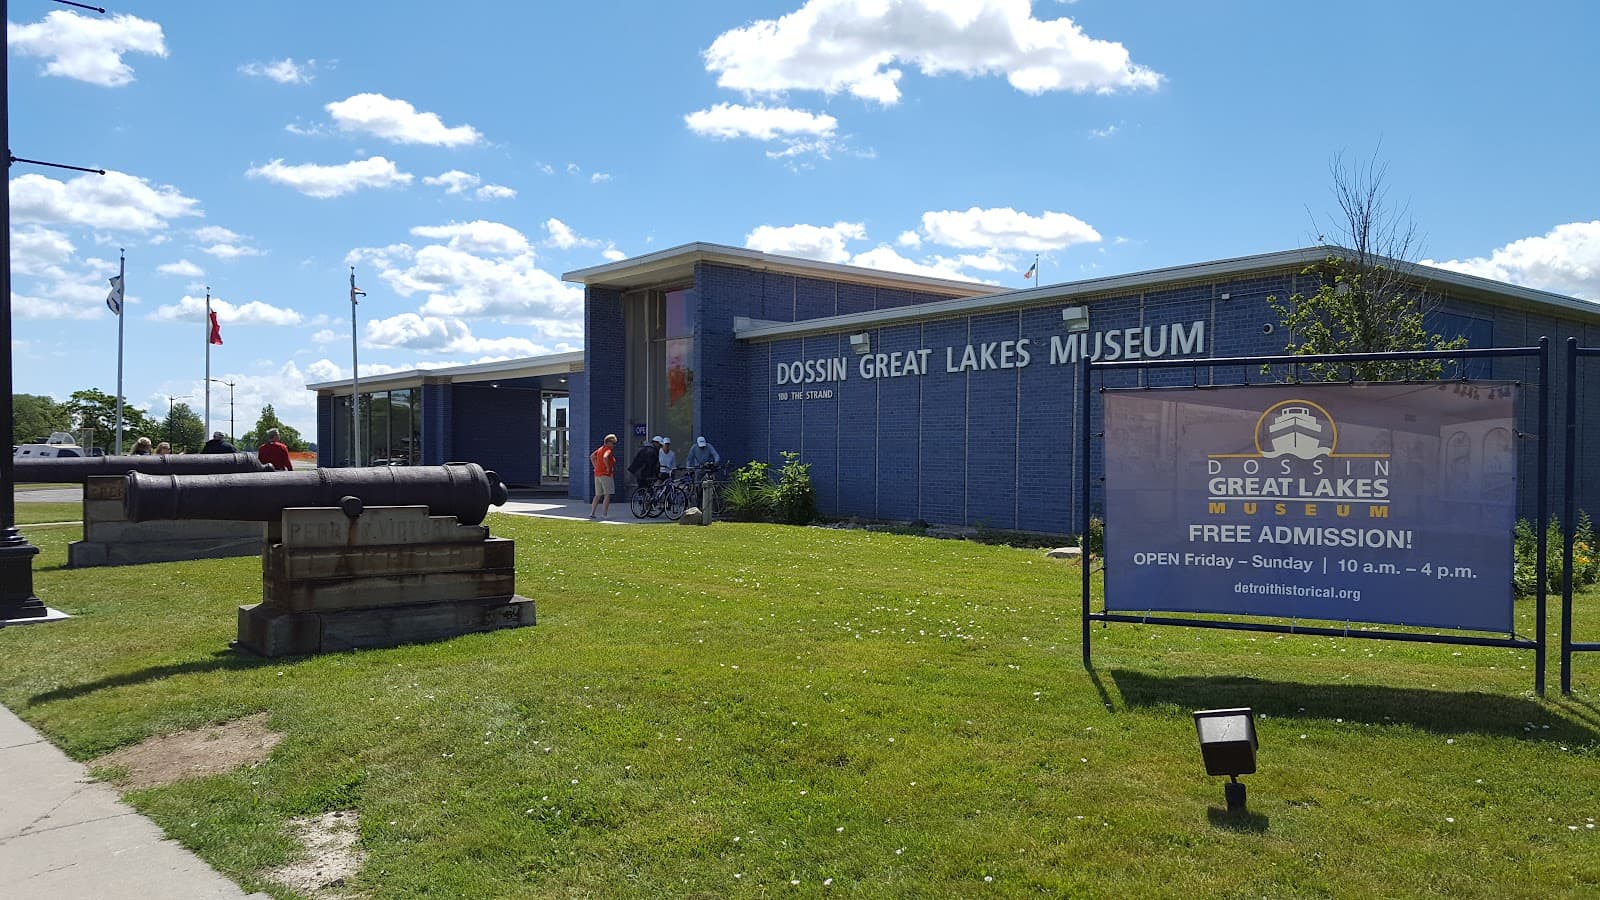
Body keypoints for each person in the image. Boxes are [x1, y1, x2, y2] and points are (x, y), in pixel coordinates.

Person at [588, 433, 618, 519]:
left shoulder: (600, 449)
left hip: (597, 474)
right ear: (608, 442)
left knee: (597, 495)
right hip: (606, 475)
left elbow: (592, 456)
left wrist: (595, 467)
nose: (614, 445)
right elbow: (605, 457)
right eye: (613, 443)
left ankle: (592, 513)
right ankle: (604, 514)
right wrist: (608, 468)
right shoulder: (608, 450)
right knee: (607, 495)